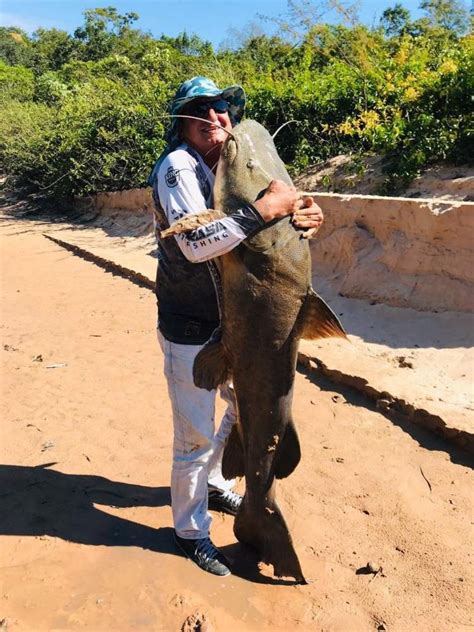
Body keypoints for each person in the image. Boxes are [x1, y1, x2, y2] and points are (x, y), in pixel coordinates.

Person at [149, 76, 324, 577]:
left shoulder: (231, 164)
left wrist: (304, 215)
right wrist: (262, 212)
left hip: (237, 327)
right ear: (182, 122)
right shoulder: (178, 167)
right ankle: (190, 532)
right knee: (194, 438)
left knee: (238, 412)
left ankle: (217, 486)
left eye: (221, 108)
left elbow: (283, 213)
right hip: (192, 325)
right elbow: (192, 244)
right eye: (200, 110)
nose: (215, 118)